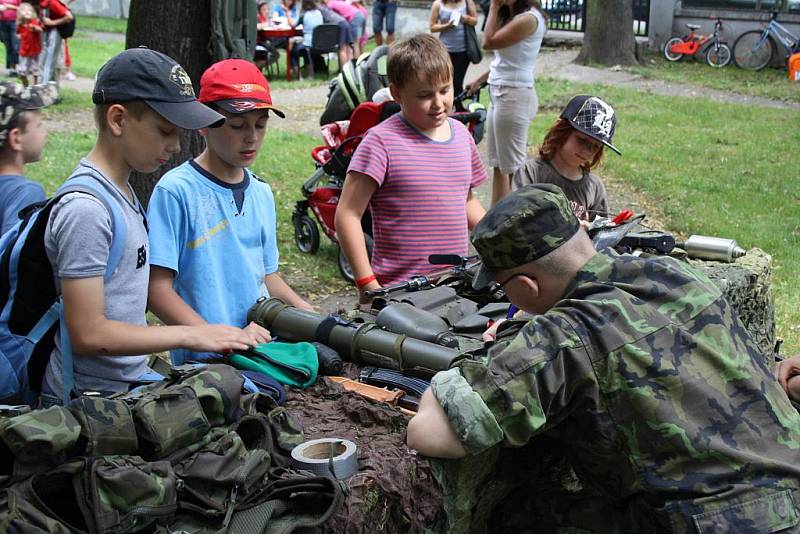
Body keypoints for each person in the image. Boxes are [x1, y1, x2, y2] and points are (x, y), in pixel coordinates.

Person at [407, 184, 800, 531]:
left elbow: (431, 433)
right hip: (791, 486)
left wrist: (452, 381)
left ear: (526, 285)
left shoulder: (564, 335)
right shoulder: (673, 273)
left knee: (520, 514)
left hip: (717, 523)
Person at [39, 48, 258, 403]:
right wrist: (189, 335)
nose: (175, 146)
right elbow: (89, 333)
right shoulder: (87, 210)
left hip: (123, 385)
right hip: (87, 405)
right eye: (164, 131)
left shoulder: (120, 191)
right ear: (117, 119)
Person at [146, 59, 314, 366]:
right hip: (205, 366)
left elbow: (266, 274)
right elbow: (156, 290)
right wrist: (214, 336)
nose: (251, 137)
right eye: (237, 126)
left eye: (260, 125)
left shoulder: (261, 193)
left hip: (261, 352)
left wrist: (303, 309)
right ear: (203, 124)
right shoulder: (176, 191)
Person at [335, 34, 487, 302]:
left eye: (445, 90)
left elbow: (466, 199)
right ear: (397, 93)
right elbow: (347, 214)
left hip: (455, 286)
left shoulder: (462, 136)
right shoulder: (381, 142)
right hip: (398, 293)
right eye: (424, 95)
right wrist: (366, 282)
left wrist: (496, 239)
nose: (439, 103)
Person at [464, 0, 546, 205]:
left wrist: (493, 7)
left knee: (513, 168)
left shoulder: (528, 19)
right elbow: (507, 62)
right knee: (499, 165)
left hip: (514, 96)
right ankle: (496, 221)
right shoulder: (514, 15)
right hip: (501, 93)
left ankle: (518, 222)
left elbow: (488, 42)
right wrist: (479, 81)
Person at [514, 94, 620, 224]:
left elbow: (600, 235)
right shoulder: (530, 171)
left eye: (596, 146)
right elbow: (518, 219)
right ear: (562, 131)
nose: (587, 150)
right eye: (582, 140)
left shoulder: (594, 186)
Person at [0, 81, 54, 235]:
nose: (45, 132)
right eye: (39, 125)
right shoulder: (25, 193)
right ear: (16, 138)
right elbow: (11, 254)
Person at [429, 0, 478, 101]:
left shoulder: (468, 2)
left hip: (463, 49)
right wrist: (448, 25)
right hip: (445, 49)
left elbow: (475, 21)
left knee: (457, 81)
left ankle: (457, 107)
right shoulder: (438, 4)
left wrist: (464, 18)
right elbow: (432, 27)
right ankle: (444, 104)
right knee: (444, 80)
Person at [38, 0, 71, 84]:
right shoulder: (42, 2)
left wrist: (53, 23)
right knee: (44, 62)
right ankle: (43, 85)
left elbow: (69, 16)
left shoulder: (52, 2)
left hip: (54, 35)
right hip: (46, 34)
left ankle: (43, 87)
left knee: (48, 63)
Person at [290, 0, 324, 79]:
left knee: (293, 52)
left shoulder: (304, 15)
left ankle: (299, 76)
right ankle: (310, 75)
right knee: (306, 52)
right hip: (319, 43)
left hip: (309, 44)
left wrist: (288, 15)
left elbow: (293, 25)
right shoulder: (319, 13)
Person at [15, 2, 42, 86]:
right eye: (24, 10)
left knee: (35, 69)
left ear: (32, 12)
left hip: (34, 51)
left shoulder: (34, 22)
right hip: (24, 51)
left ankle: (35, 85)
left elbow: (40, 29)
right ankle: (25, 85)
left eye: (29, 10)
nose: (27, 12)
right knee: (22, 71)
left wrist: (35, 28)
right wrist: (19, 36)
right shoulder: (20, 25)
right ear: (20, 13)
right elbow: (17, 33)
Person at [318, 0, 353, 65]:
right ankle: (351, 70)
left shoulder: (319, 9)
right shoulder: (326, 7)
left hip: (339, 25)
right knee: (348, 48)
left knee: (342, 49)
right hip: (345, 22)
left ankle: (344, 71)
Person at [0, 0, 19, 76]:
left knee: (15, 46)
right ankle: (11, 69)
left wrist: (10, 7)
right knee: (8, 47)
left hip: (14, 23)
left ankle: (15, 68)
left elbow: (22, 8)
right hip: (2, 23)